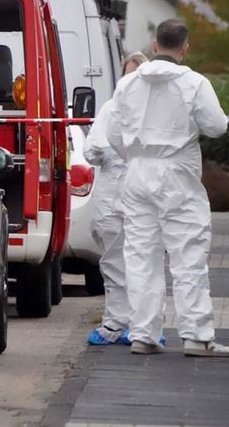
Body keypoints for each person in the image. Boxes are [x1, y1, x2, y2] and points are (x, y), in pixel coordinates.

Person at [107, 19, 229, 356]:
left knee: (141, 255)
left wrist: (134, 156)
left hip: (137, 172)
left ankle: (144, 334)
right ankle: (196, 336)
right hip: (177, 173)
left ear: (155, 45)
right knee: (188, 253)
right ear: (185, 48)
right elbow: (217, 127)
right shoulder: (194, 83)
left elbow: (114, 133)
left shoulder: (128, 85)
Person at [83, 51, 147, 346]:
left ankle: (141, 324)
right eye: (128, 74)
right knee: (112, 263)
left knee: (142, 263)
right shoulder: (111, 109)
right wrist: (108, 151)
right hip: (111, 198)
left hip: (142, 196)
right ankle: (115, 322)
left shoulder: (152, 110)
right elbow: (90, 149)